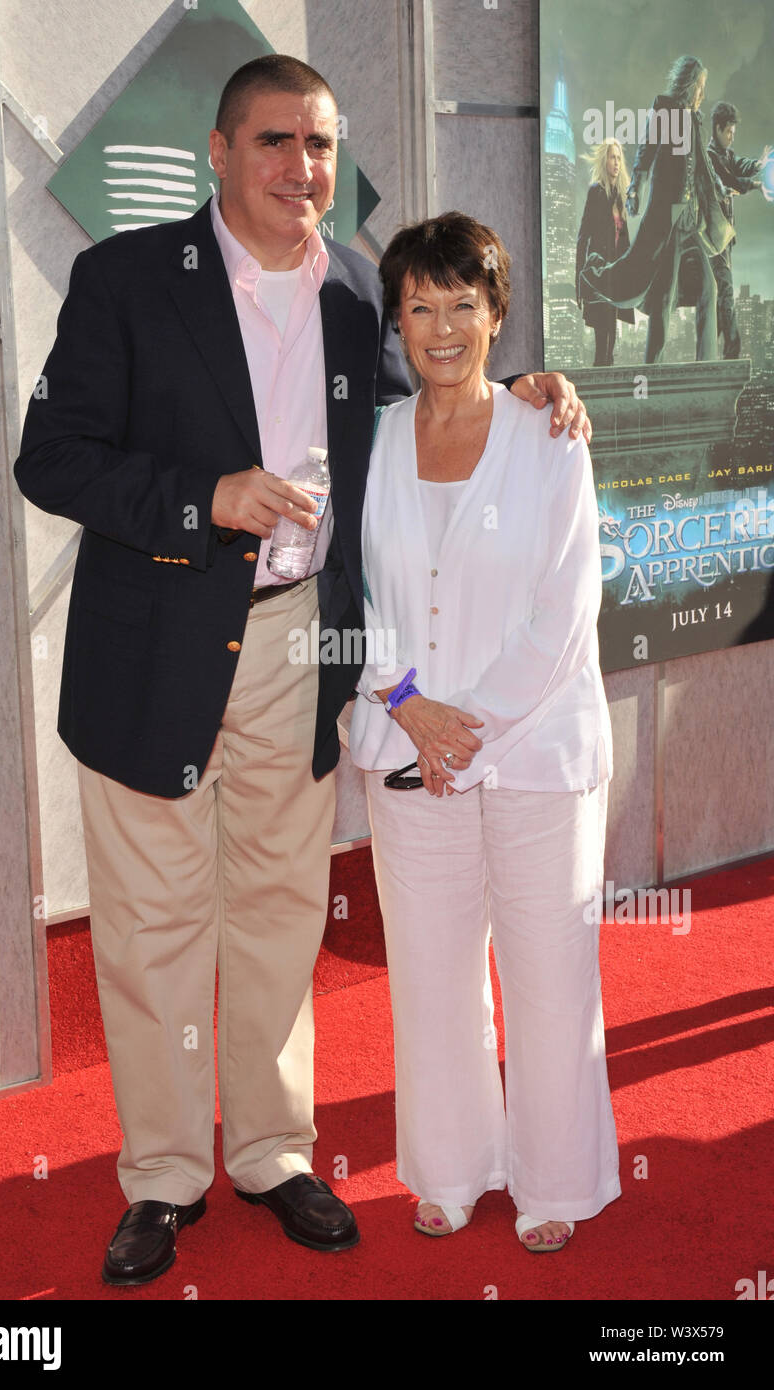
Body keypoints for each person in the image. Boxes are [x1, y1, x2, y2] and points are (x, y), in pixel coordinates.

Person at [14, 54, 592, 1286]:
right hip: (152, 648)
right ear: (218, 153)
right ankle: (163, 1177)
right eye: (274, 142)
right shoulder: (125, 281)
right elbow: (50, 458)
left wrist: (534, 385)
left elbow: (438, 396)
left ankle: (273, 1152)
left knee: (281, 913)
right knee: (155, 926)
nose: (302, 168)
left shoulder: (352, 295)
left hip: (300, 648)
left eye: (321, 144)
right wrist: (199, 498)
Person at [348, 212, 619, 1252]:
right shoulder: (369, 444)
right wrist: (411, 703)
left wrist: (470, 730)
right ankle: (453, 1170)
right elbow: (353, 595)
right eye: (421, 306)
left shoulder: (548, 436)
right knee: (430, 977)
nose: (444, 326)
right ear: (399, 324)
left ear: (498, 314)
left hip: (538, 754)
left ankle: (556, 1180)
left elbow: (564, 612)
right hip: (406, 751)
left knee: (552, 973)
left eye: (465, 303)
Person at [580, 56, 733, 364]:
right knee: (664, 295)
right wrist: (636, 186)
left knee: (709, 289)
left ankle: (706, 365)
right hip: (669, 218)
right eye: (699, 87)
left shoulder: (697, 119)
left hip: (692, 222)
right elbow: (646, 151)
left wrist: (720, 187)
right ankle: (653, 367)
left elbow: (702, 164)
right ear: (688, 85)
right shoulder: (665, 108)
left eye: (704, 88)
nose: (702, 93)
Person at [706, 101, 771, 359]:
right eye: (729, 132)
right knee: (725, 291)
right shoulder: (710, 158)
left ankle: (711, 350)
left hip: (724, 239)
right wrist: (756, 184)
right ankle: (731, 352)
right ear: (718, 129)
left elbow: (738, 163)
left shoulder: (726, 155)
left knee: (719, 296)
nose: (732, 138)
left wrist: (758, 164)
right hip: (713, 238)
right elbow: (730, 180)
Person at [575, 140, 635, 365]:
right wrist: (579, 279)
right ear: (604, 161)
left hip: (616, 274)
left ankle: (607, 389)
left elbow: (625, 241)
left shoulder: (621, 197)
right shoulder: (596, 192)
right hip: (599, 274)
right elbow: (583, 236)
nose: (616, 162)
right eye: (612, 157)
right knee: (604, 336)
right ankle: (600, 391)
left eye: (619, 158)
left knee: (612, 339)